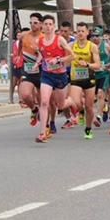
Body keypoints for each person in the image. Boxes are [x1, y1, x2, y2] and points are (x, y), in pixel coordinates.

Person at [35, 15, 74, 143]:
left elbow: (72, 56)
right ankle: (42, 133)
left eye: (50, 24)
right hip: (47, 75)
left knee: (61, 105)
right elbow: (42, 54)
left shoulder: (60, 40)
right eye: (45, 24)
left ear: (54, 26)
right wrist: (37, 63)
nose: (48, 26)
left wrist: (58, 60)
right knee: (44, 102)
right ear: (42, 26)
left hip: (60, 76)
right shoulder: (39, 41)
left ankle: (71, 102)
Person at [67, 22, 102, 139]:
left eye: (83, 31)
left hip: (89, 77)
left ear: (87, 33)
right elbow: (67, 59)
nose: (80, 33)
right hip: (76, 77)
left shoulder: (92, 46)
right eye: (78, 31)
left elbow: (97, 65)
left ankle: (88, 129)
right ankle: (80, 111)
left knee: (89, 106)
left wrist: (87, 64)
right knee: (75, 102)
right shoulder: (71, 45)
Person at [18, 13, 43, 128]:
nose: (33, 25)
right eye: (31, 23)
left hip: (41, 70)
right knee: (25, 95)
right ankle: (34, 109)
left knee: (43, 100)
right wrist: (19, 56)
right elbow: (20, 46)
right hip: (27, 70)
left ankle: (46, 125)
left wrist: (38, 62)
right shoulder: (24, 35)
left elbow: (43, 54)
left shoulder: (43, 38)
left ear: (41, 24)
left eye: (35, 23)